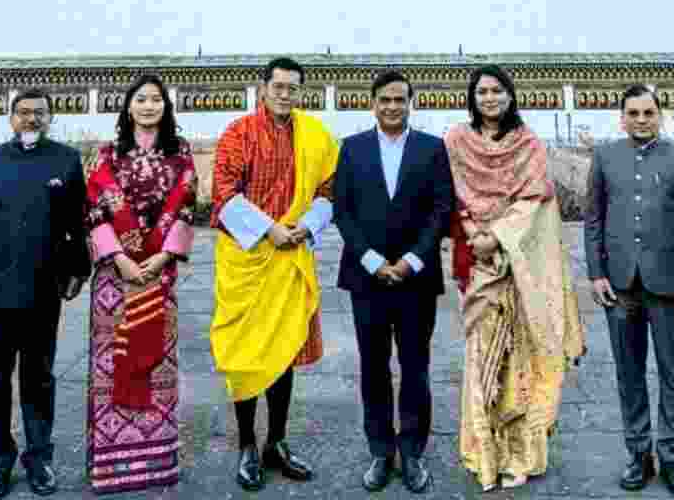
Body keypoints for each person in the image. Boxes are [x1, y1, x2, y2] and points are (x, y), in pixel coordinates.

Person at [445, 65, 586, 492]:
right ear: (472, 98)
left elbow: (534, 203)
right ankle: (484, 452)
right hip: (479, 266)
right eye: (482, 92)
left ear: (510, 95)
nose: (489, 98)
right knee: (482, 357)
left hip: (522, 263)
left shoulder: (529, 145)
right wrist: (474, 235)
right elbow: (451, 197)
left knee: (524, 356)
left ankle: (521, 454)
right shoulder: (456, 142)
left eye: (497, 90)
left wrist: (498, 237)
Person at [0, 88, 91, 499]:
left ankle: (39, 458)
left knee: (39, 379)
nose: (32, 119)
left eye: (40, 113)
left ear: (50, 118)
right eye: (24, 112)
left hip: (43, 289)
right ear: (11, 118)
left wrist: (77, 271)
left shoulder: (66, 160)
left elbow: (76, 222)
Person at [210, 57, 339, 491]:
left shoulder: (315, 135)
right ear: (263, 87)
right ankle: (247, 444)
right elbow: (223, 194)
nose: (285, 94)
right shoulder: (238, 133)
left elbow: (329, 189)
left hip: (291, 258)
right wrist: (270, 228)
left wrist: (309, 224)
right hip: (248, 261)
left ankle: (276, 442)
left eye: (293, 88)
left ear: (300, 91)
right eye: (278, 86)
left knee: (283, 353)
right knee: (246, 356)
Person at [584, 84, 674, 499]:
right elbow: (593, 220)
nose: (641, 120)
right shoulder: (605, 157)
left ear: (660, 116)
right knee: (629, 373)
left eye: (648, 113)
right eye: (633, 113)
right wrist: (596, 273)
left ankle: (670, 455)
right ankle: (639, 454)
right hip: (620, 285)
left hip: (669, 286)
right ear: (622, 118)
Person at [333, 70, 454, 494]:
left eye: (399, 99)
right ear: (373, 103)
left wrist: (412, 260)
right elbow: (342, 209)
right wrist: (371, 260)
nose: (392, 107)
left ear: (409, 103)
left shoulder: (431, 148)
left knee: (415, 366)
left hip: (415, 280)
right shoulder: (352, 148)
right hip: (366, 279)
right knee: (373, 366)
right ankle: (381, 451)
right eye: (384, 99)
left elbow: (442, 208)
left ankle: (413, 451)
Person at [83, 74, 197, 494]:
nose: (149, 106)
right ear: (128, 106)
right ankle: (112, 464)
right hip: (115, 278)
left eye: (156, 99)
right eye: (141, 99)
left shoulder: (181, 154)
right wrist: (119, 257)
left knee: (156, 362)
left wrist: (163, 257)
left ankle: (156, 460)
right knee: (113, 361)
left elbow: (186, 208)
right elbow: (94, 211)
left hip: (157, 272)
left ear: (166, 107)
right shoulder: (107, 154)